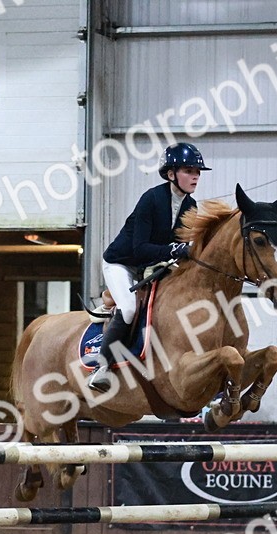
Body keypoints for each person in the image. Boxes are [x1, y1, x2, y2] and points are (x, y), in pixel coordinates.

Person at [88, 142, 210, 392]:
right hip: (122, 262)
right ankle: (102, 367)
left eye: (197, 172)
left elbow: (180, 247)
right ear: (171, 174)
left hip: (151, 265)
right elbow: (140, 248)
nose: (195, 176)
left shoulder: (191, 206)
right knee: (129, 308)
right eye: (189, 171)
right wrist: (174, 250)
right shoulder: (151, 199)